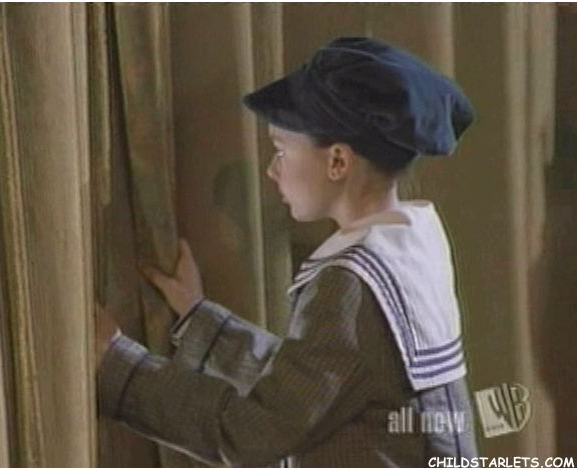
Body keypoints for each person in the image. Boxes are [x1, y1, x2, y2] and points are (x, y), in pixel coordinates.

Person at [97, 36, 479, 467]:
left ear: (338, 161)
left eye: (281, 150)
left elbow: (252, 432)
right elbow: (319, 383)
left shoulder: (349, 282)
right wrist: (199, 319)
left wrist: (116, 366)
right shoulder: (411, 244)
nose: (271, 169)